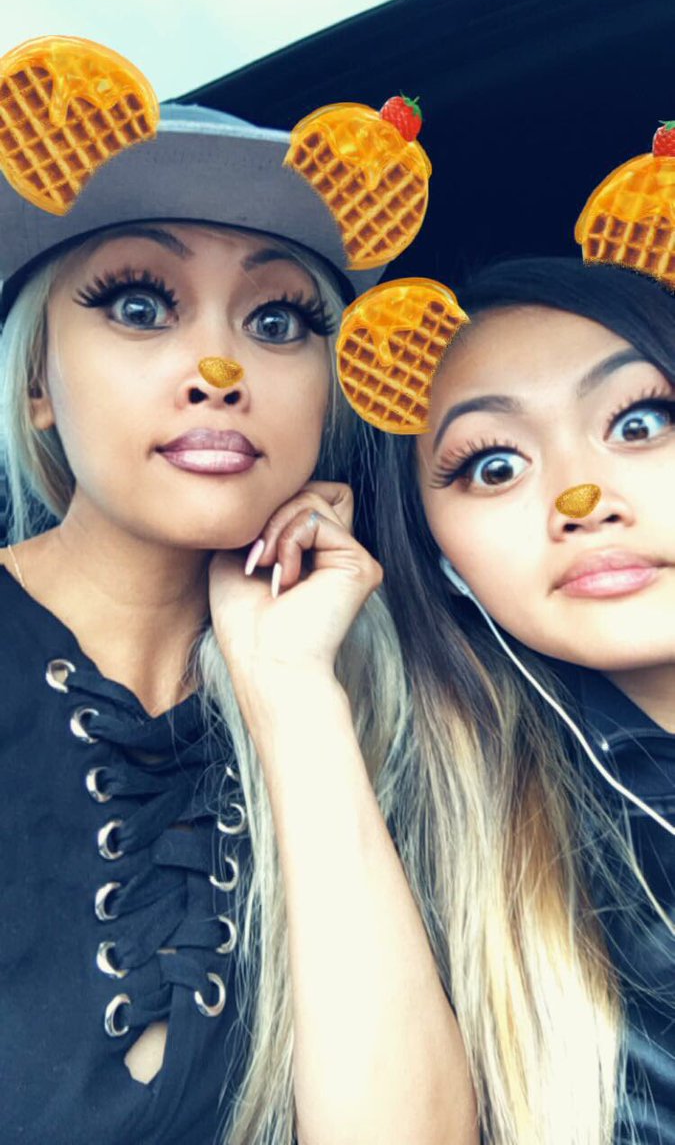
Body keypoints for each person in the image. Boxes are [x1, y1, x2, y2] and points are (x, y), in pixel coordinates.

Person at [0, 102, 476, 1145]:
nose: (220, 371)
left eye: (277, 323)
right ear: (37, 380)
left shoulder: (397, 705)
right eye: (139, 306)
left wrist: (291, 696)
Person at [375, 257, 675, 1145]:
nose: (581, 501)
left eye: (639, 422)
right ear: (442, 563)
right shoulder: (463, 857)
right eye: (494, 465)